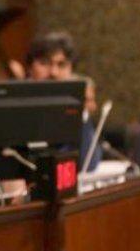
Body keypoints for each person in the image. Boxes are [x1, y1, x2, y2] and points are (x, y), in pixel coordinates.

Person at [17, 30, 102, 171]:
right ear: (30, 68)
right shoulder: (15, 104)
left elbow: (89, 164)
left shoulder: (72, 109)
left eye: (61, 65)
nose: (53, 73)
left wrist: (82, 112)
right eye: (45, 63)